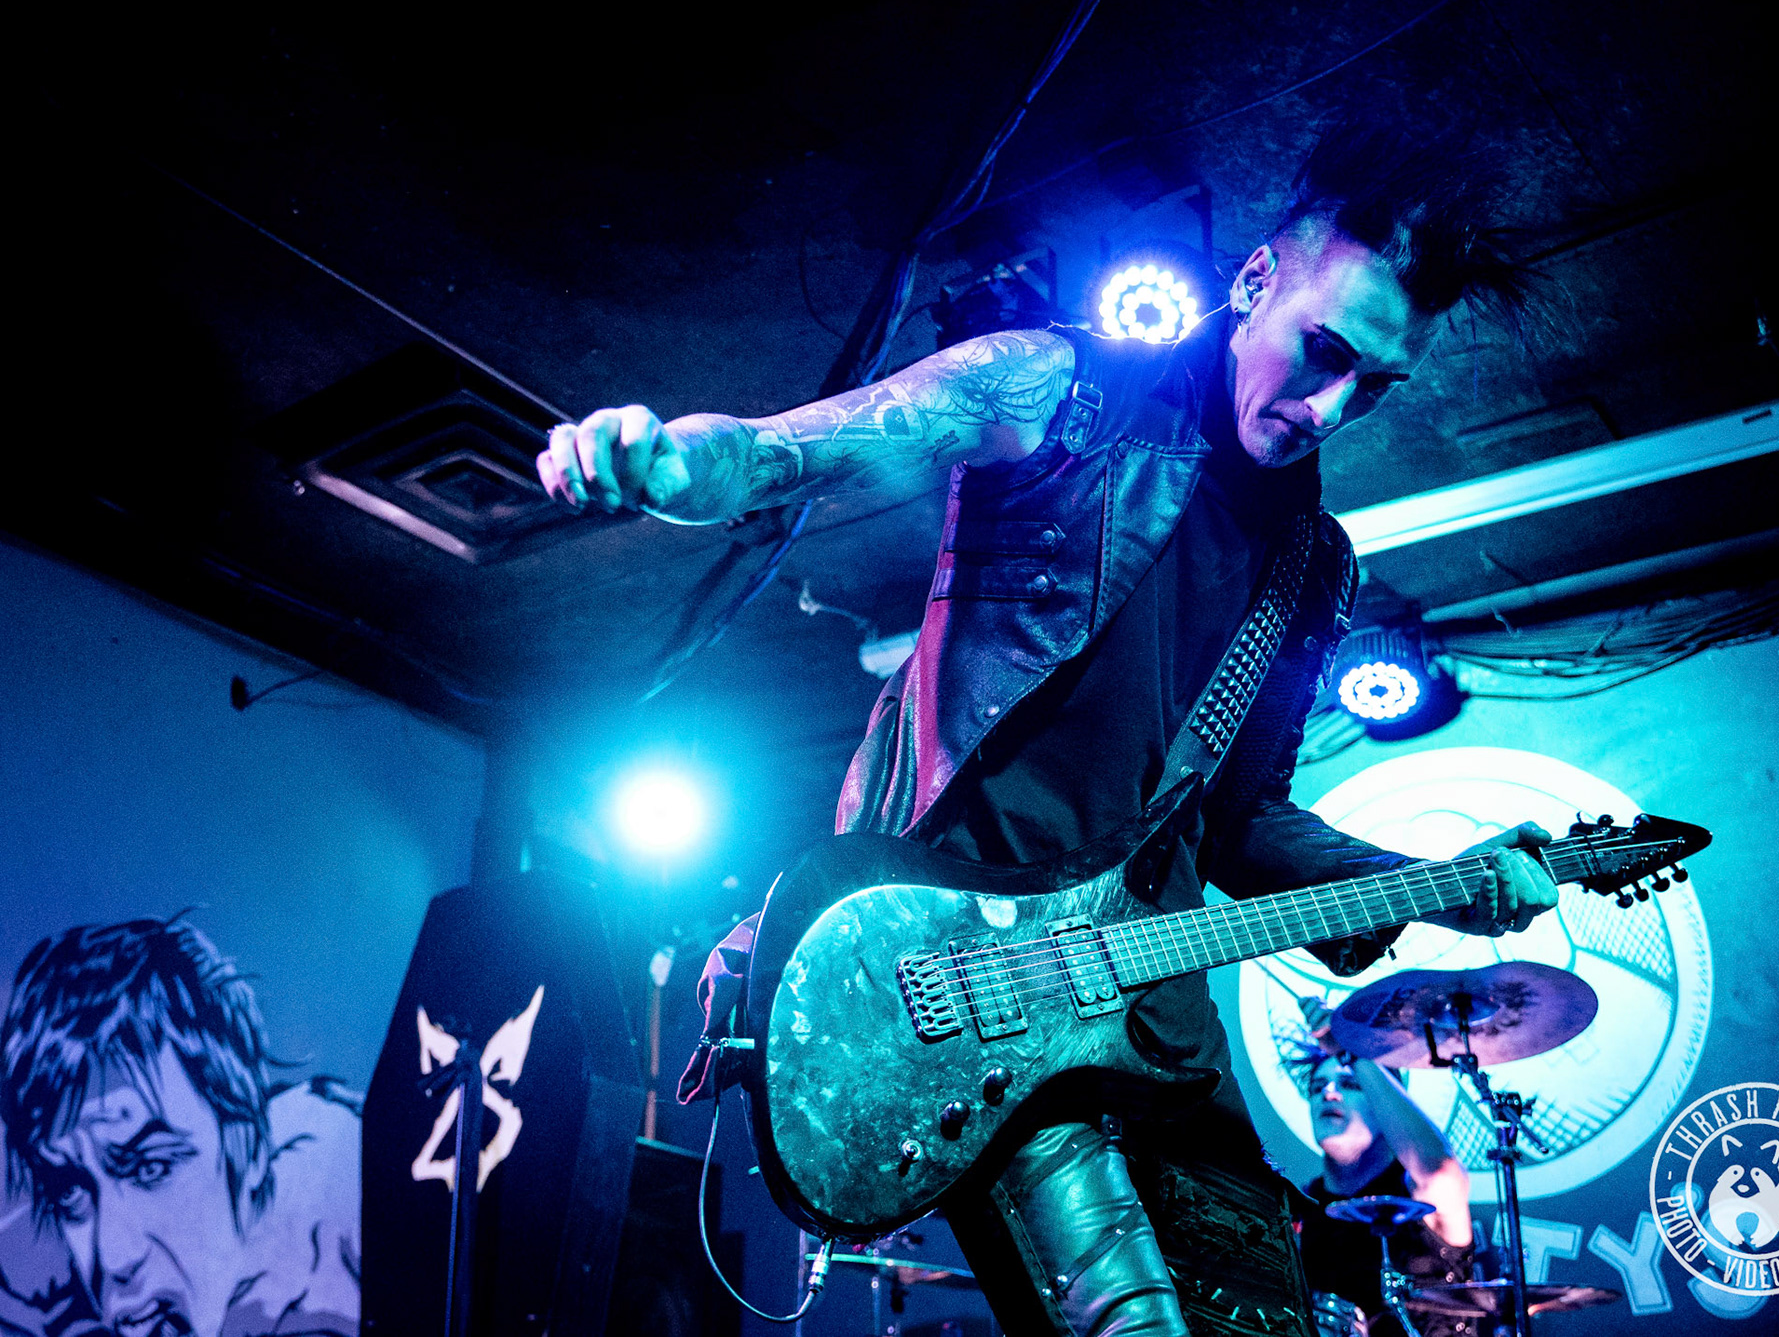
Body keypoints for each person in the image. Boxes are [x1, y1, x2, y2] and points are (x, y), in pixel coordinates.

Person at [540, 127, 1559, 1337]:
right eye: (1325, 352)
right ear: (1254, 284)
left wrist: (1436, 883)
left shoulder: (1311, 563)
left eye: (1373, 386)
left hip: (1148, 1023)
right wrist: (664, 464)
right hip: (977, 977)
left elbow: (1242, 823)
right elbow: (797, 448)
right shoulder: (1061, 392)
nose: (1332, 406)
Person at [0, 918, 360, 1337]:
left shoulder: (354, 1225)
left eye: (151, 1168)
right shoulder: (31, 1294)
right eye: (69, 1190)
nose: (115, 1258)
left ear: (251, 1150)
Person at [1292, 999, 1474, 1337]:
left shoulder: (1420, 1193)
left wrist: (1353, 1053)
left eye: (1350, 1084)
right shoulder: (1299, 1207)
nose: (1328, 1094)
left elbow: (1438, 1169)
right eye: (1317, 1087)